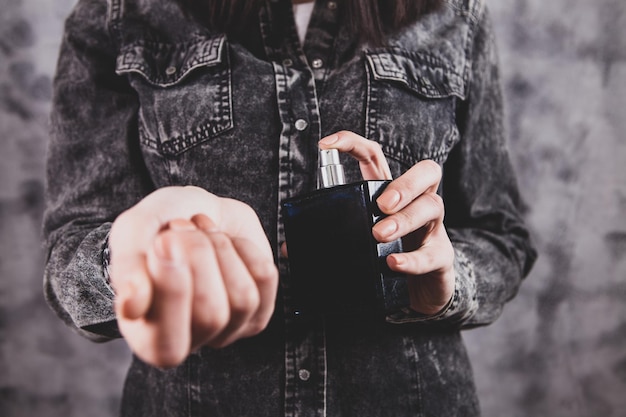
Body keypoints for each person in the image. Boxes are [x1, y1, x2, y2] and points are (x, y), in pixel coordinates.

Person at [43, 0, 537, 415]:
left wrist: (450, 281)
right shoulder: (120, 14)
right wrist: (135, 255)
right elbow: (68, 259)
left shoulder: (455, 14)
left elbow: (500, 234)